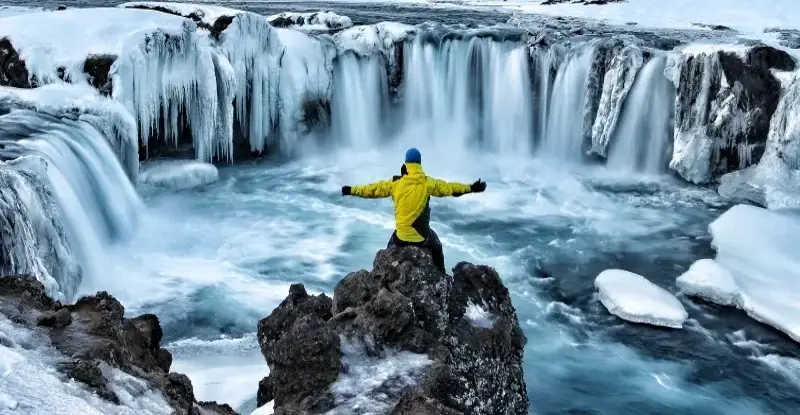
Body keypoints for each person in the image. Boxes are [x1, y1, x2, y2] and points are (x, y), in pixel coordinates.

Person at [341, 147, 486, 273]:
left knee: (390, 245)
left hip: (401, 239)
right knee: (437, 246)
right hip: (422, 238)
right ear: (419, 164)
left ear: (405, 164)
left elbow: (371, 190)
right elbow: (451, 189)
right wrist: (471, 188)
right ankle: (441, 274)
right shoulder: (427, 183)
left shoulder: (395, 183)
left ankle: (384, 268)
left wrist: (351, 190)